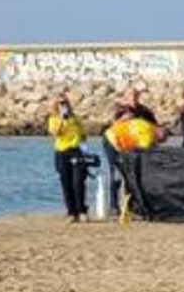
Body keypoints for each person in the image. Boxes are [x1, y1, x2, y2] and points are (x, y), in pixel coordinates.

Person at [102, 87, 160, 215]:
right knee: (117, 172)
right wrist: (122, 120)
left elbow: (155, 127)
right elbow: (109, 127)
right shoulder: (119, 109)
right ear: (125, 97)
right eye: (130, 95)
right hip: (113, 143)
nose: (133, 98)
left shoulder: (144, 111)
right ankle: (113, 205)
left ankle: (130, 205)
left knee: (132, 174)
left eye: (135, 95)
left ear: (138, 96)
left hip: (132, 145)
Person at [47, 92, 88, 223]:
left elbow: (83, 135)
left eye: (65, 102)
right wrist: (62, 120)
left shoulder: (75, 118)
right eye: (60, 103)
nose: (63, 105)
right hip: (61, 152)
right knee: (66, 183)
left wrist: (85, 150)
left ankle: (81, 211)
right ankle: (71, 212)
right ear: (56, 105)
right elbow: (55, 133)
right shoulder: (53, 119)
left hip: (76, 151)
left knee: (78, 182)